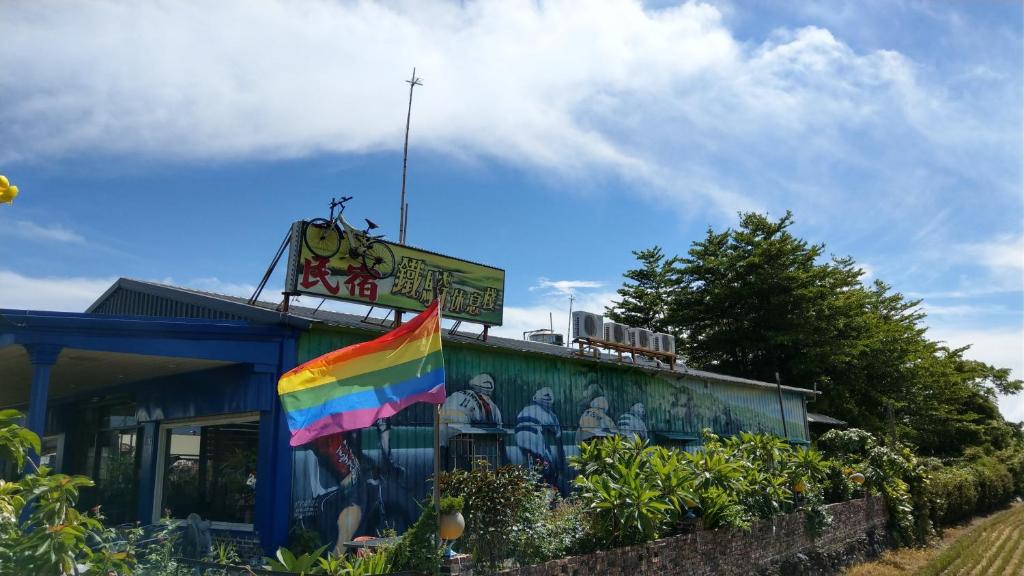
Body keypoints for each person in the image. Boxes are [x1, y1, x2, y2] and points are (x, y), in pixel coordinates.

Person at [514, 387, 565, 488]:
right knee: (546, 464)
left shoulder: (526, 409)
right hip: (534, 437)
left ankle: (533, 483)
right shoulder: (550, 415)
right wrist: (560, 465)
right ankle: (546, 485)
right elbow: (558, 434)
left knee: (531, 463)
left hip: (519, 436)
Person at [440, 373, 503, 444]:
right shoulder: (491, 406)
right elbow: (496, 431)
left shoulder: (456, 394)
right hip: (462, 431)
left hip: (443, 426)